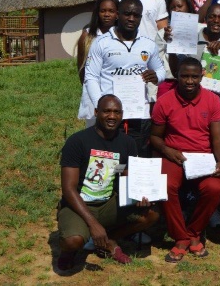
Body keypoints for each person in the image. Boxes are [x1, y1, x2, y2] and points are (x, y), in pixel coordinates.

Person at [57, 95, 159, 270]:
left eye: (116, 112)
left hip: (108, 203)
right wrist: (93, 224)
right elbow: (68, 188)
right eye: (107, 111)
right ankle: (69, 252)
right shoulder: (77, 141)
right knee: (73, 241)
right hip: (78, 204)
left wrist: (141, 193)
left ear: (122, 115)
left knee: (152, 214)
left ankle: (109, 239)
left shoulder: (127, 143)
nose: (112, 116)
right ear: (96, 112)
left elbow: (123, 172)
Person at [150, 58, 220, 262]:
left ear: (202, 76)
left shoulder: (212, 100)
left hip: (202, 157)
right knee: (165, 185)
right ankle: (180, 238)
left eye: (194, 76)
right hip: (175, 156)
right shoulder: (164, 101)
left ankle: (194, 233)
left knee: (214, 188)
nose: (190, 81)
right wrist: (168, 150)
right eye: (185, 76)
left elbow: (218, 137)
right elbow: (155, 137)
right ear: (177, 77)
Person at [84, 0, 166, 157]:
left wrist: (156, 76)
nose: (131, 18)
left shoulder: (148, 44)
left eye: (136, 15)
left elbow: (161, 70)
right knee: (107, 161)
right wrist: (100, 105)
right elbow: (91, 77)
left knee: (137, 160)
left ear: (141, 17)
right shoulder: (101, 43)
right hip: (111, 116)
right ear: (117, 15)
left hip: (139, 114)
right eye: (127, 14)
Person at [165, 4, 220, 85]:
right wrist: (171, 44)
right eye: (212, 16)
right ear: (205, 19)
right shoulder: (191, 39)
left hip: (219, 95)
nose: (216, 20)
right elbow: (176, 71)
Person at [77, 0, 119, 126]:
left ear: (118, 14)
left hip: (116, 90)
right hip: (93, 92)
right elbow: (81, 69)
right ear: (97, 13)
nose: (107, 14)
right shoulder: (87, 35)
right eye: (103, 11)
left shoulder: (122, 36)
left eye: (111, 11)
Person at [155, 0, 195, 99]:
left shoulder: (200, 29)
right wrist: (168, 41)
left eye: (180, 6)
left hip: (194, 83)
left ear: (188, 7)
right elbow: (157, 62)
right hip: (169, 82)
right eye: (173, 7)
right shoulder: (162, 33)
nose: (176, 10)